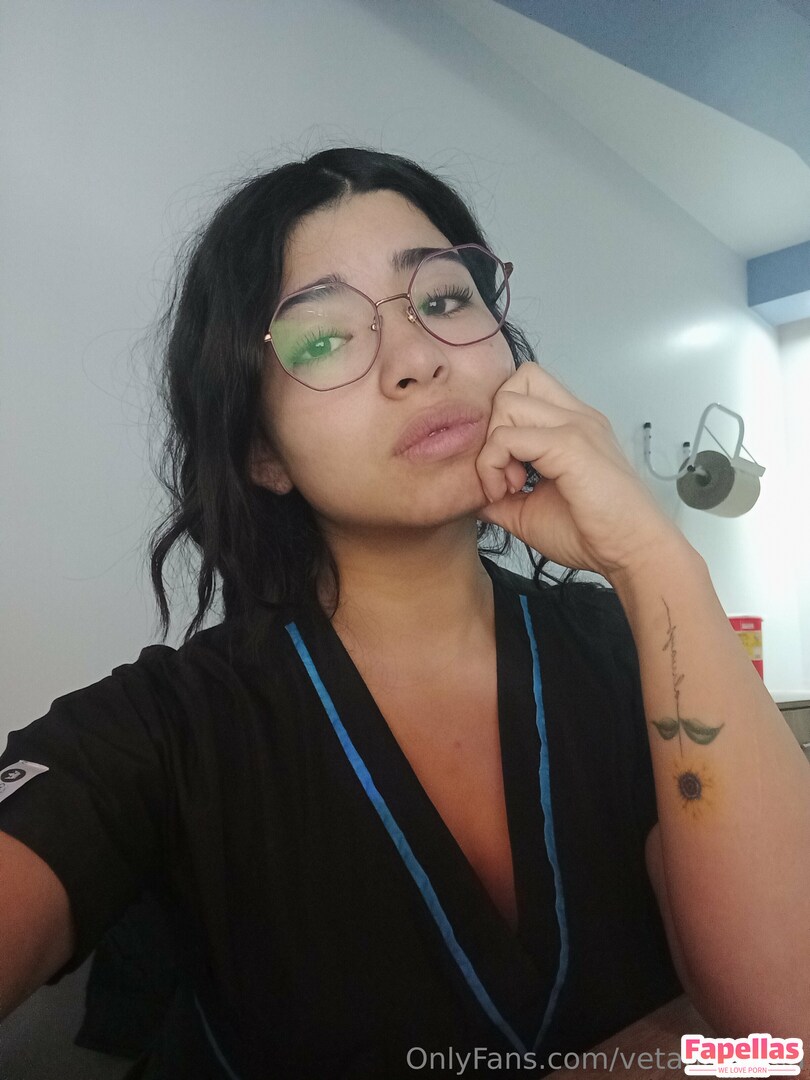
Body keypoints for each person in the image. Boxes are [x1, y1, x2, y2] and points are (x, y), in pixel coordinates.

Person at [1, 147, 808, 1080]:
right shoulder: (166, 726)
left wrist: (656, 560)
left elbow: (785, 1025)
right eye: (321, 339)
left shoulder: (624, 647)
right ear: (263, 453)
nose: (418, 358)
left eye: (445, 298)